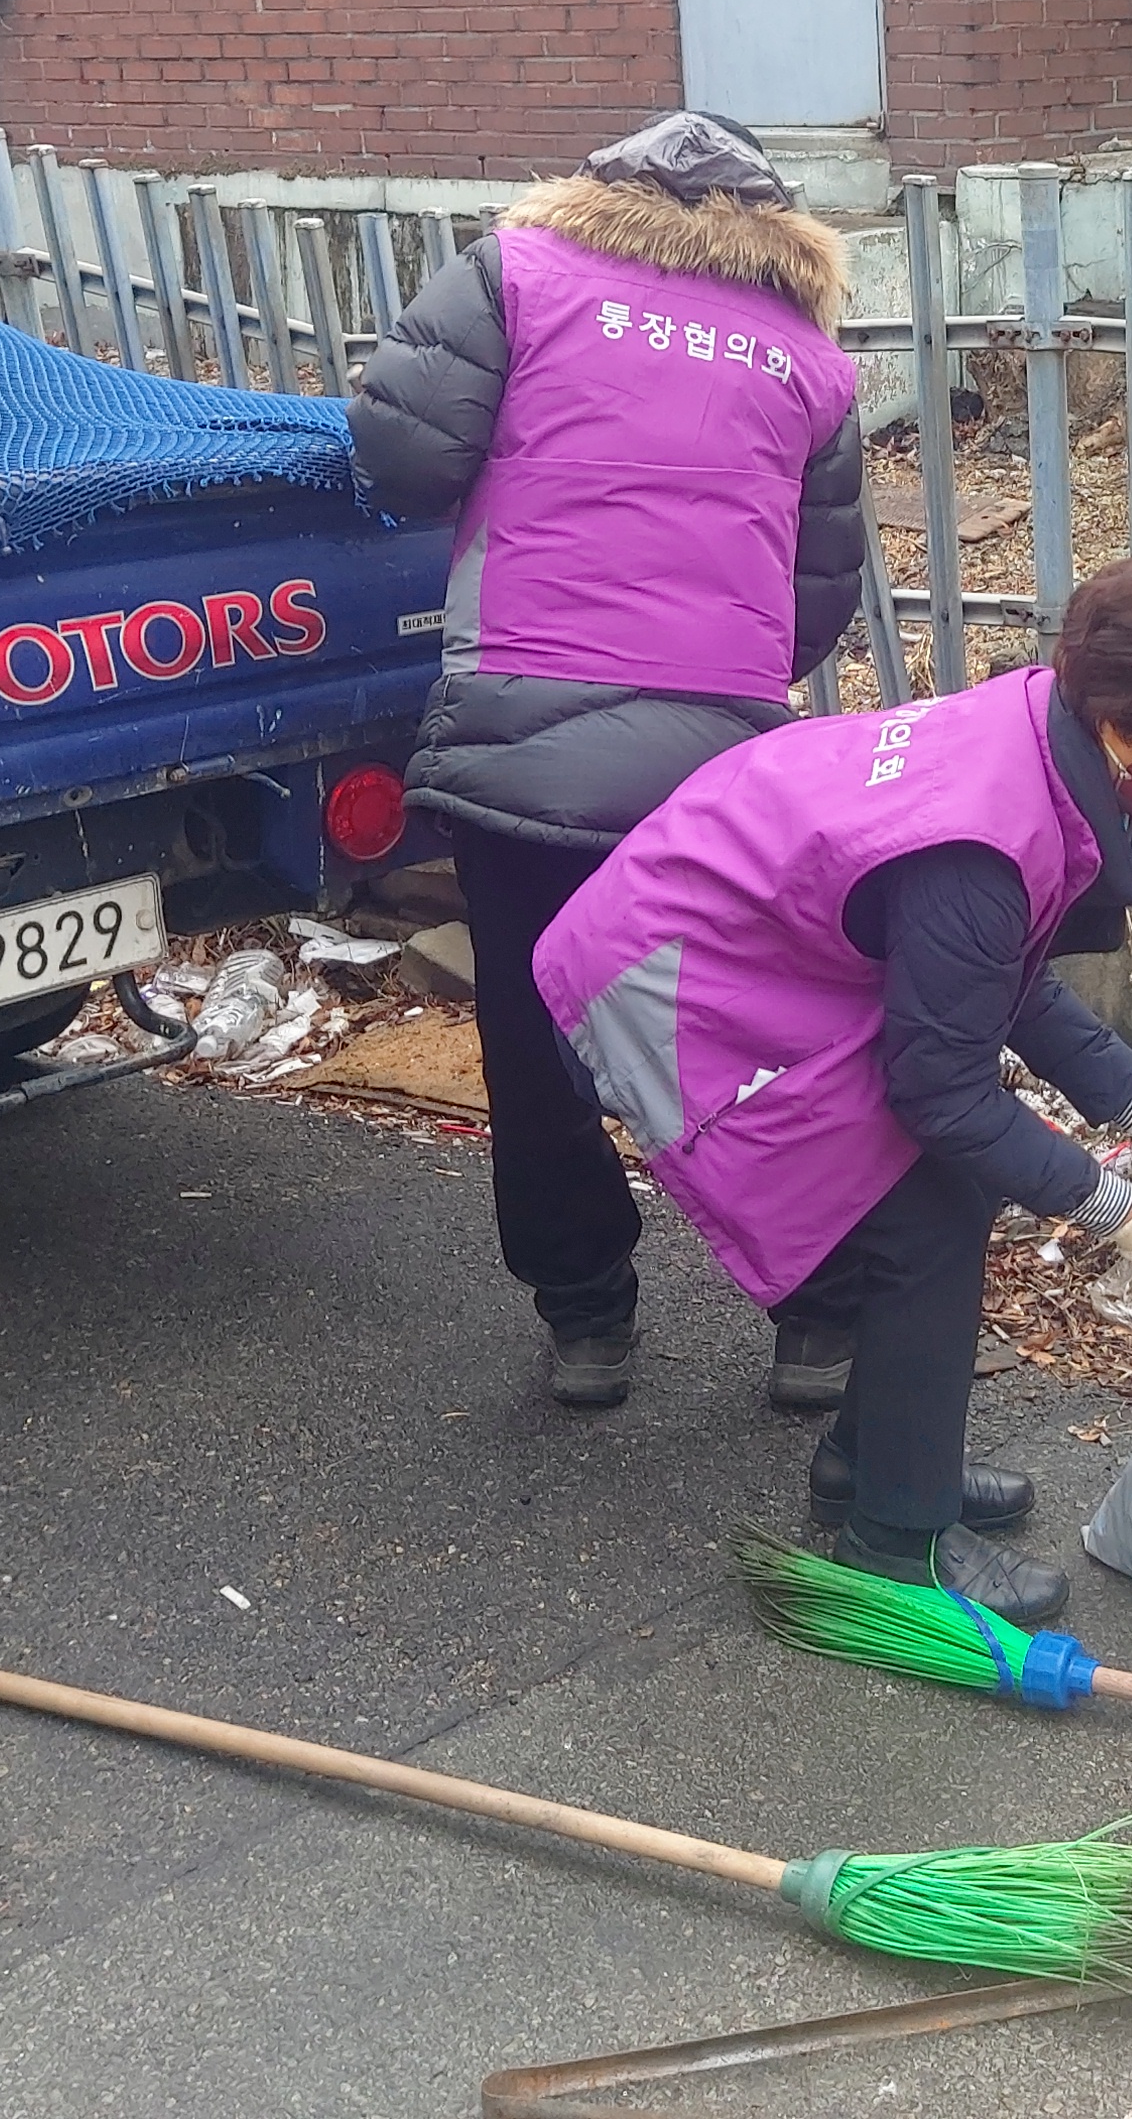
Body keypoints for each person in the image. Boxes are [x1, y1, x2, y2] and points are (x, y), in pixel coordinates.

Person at [530, 550, 1132, 1621]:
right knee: (924, 1206)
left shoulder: (1038, 729)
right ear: (1129, 724)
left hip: (744, 946)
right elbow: (939, 1086)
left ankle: (880, 1463)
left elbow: (986, 975)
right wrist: (1125, 1215)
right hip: (670, 987)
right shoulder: (984, 837)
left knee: (945, 1188)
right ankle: (896, 1539)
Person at [347, 109, 870, 1412]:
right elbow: (812, 611)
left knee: (536, 1037)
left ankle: (589, 1320)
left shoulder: (515, 275)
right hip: (719, 756)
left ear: (603, 192)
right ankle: (816, 1316)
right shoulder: (811, 358)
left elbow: (400, 450)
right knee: (740, 1026)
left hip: (525, 742)